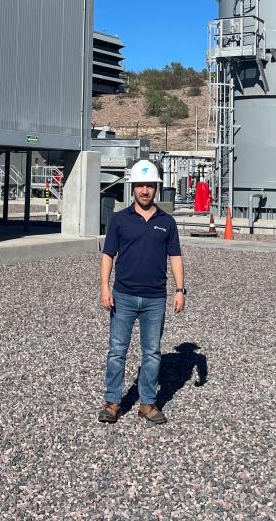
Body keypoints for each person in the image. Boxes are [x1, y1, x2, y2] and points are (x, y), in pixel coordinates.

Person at [98, 159, 185, 425]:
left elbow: (175, 256)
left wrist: (180, 289)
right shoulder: (120, 220)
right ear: (133, 187)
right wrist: (104, 286)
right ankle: (112, 403)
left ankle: (147, 404)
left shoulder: (167, 222)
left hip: (155, 298)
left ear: (156, 188)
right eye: (140, 185)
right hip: (123, 296)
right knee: (117, 351)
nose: (145, 190)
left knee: (152, 352)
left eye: (149, 185)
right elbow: (108, 254)